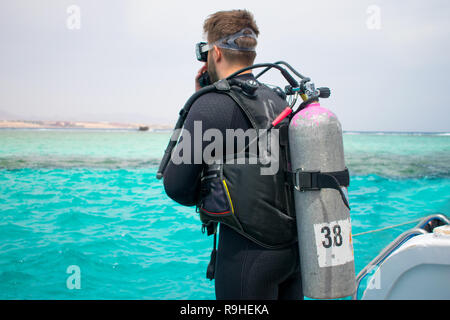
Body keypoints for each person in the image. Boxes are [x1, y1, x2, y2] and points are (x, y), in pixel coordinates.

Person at [163, 9, 302, 300]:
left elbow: (176, 187)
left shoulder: (211, 105)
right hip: (293, 254)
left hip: (246, 256)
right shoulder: (279, 99)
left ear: (214, 53)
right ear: (251, 54)